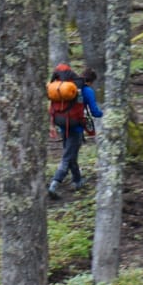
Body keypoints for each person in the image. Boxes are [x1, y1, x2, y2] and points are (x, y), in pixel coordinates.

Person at [48, 66, 103, 200]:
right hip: (76, 127)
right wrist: (104, 113)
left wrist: (52, 126)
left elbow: (53, 107)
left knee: (71, 153)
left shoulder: (69, 88)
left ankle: (77, 181)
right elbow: (95, 112)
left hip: (63, 124)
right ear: (91, 81)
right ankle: (54, 184)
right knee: (68, 156)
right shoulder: (87, 90)